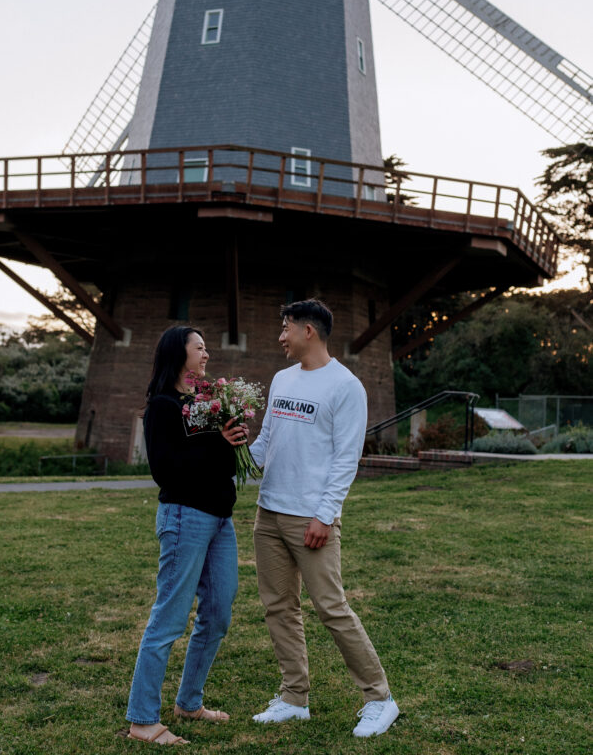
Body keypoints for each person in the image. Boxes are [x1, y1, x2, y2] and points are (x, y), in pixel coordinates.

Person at [249, 299, 399, 739]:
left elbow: (346, 458)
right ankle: (294, 698)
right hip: (269, 513)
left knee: (331, 609)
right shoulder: (280, 379)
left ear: (308, 331)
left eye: (285, 328)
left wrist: (325, 515)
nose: (280, 336)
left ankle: (379, 698)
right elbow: (266, 444)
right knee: (279, 608)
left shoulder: (345, 386)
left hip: (311, 519)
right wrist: (232, 450)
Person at [125, 325, 248, 745]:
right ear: (180, 353)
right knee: (169, 618)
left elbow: (223, 464)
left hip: (219, 519)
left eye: (207, 347)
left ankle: (188, 703)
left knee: (218, 611)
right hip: (184, 515)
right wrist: (218, 444)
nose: (207, 354)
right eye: (200, 347)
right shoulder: (162, 406)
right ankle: (142, 721)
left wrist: (232, 443)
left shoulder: (205, 403)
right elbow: (165, 467)